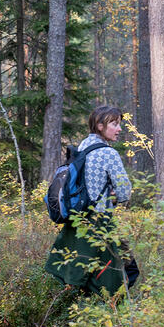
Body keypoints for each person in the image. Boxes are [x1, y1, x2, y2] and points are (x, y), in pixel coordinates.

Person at [44, 105, 139, 295]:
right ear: (100, 125)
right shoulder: (108, 153)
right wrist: (113, 198)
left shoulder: (81, 148)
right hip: (100, 222)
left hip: (78, 221)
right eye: (114, 124)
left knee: (84, 275)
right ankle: (110, 317)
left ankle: (79, 312)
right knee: (124, 273)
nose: (119, 129)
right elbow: (124, 192)